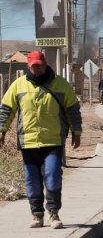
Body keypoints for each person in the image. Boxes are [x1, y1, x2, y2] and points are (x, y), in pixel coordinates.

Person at [0, 51, 82, 229]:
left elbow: (73, 109)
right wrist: (2, 130)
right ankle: (37, 214)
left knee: (52, 176)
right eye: (33, 66)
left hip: (53, 140)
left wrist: (77, 131)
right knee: (32, 179)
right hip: (28, 142)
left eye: (40, 65)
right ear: (28, 66)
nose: (37, 68)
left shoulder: (60, 84)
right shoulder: (18, 85)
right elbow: (6, 109)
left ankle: (53, 213)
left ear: (45, 64)